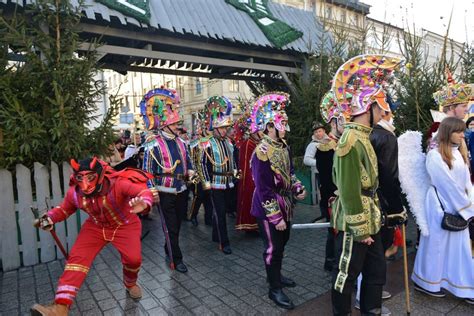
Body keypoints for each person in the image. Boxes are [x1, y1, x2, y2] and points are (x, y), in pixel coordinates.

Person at [30, 158, 155, 315]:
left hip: (125, 225)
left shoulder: (118, 183)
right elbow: (63, 210)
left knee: (133, 259)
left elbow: (144, 192)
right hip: (95, 227)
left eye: (90, 177)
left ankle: (130, 283)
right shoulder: (75, 194)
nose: (85, 184)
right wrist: (48, 218)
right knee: (76, 260)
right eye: (80, 178)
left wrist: (144, 203)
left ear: (100, 175)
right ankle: (60, 307)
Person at [330, 54, 402, 316]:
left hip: (371, 216)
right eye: (379, 106)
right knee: (347, 273)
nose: (383, 113)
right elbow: (349, 190)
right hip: (355, 222)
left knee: (376, 271)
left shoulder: (364, 136)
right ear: (366, 106)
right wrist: (361, 229)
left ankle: (371, 310)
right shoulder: (350, 139)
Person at [250, 92, 306, 310]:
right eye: (281, 123)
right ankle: (274, 289)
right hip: (268, 208)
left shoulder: (284, 146)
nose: (285, 126)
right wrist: (275, 217)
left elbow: (289, 174)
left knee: (282, 245)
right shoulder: (262, 151)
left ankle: (276, 275)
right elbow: (263, 188)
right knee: (272, 248)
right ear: (270, 125)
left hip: (286, 204)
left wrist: (298, 188)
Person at [412, 119, 474, 305]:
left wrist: (471, 199)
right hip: (440, 206)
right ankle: (425, 282)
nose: (463, 135)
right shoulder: (435, 155)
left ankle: (462, 285)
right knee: (435, 246)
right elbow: (445, 184)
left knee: (460, 247)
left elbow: (465, 182)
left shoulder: (459, 153)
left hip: (457, 204)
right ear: (448, 132)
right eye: (459, 132)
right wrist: (467, 208)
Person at [141, 87, 195, 274]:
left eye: (178, 124)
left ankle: (169, 247)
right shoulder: (152, 144)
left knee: (177, 224)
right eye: (175, 124)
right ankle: (176, 259)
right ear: (165, 126)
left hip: (181, 189)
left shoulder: (182, 142)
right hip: (164, 191)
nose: (178, 127)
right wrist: (152, 191)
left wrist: (191, 171)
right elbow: (146, 171)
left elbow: (190, 162)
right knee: (170, 227)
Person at [200, 96, 239, 254]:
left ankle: (217, 235)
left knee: (223, 211)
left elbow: (233, 161)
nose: (225, 130)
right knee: (220, 212)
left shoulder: (229, 142)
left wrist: (236, 172)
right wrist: (206, 183)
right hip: (215, 183)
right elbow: (202, 164)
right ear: (215, 128)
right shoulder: (207, 143)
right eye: (222, 128)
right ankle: (224, 242)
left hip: (229, 182)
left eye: (226, 128)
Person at [235, 110, 260, 232]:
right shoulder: (248, 144)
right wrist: (251, 179)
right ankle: (250, 225)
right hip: (250, 177)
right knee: (250, 199)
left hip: (258, 176)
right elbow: (245, 165)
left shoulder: (257, 142)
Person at [188, 112, 214, 226]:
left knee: (209, 197)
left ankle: (208, 218)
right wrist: (194, 176)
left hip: (209, 174)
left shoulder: (212, 142)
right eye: (207, 129)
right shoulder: (194, 143)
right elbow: (192, 160)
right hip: (198, 176)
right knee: (199, 197)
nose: (210, 131)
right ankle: (192, 215)